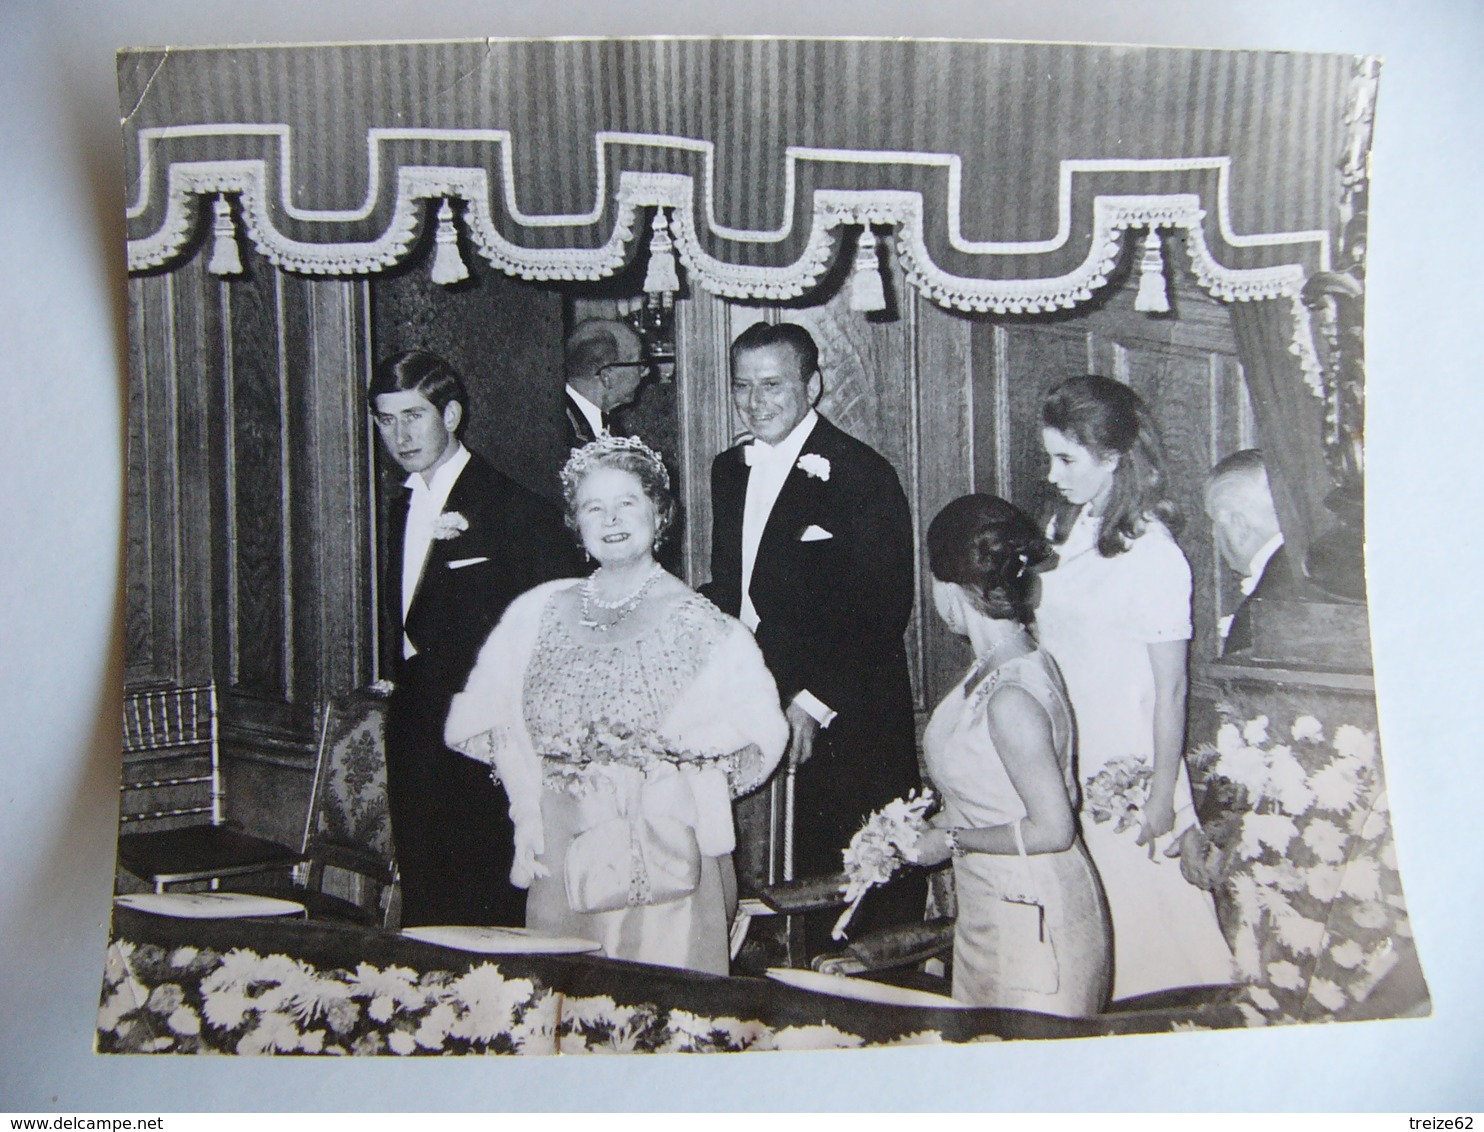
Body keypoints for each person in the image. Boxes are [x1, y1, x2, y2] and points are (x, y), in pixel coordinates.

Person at [445, 436, 788, 974]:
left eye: (627, 501)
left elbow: (758, 737)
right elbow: (492, 723)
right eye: (592, 507)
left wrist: (670, 774)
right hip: (560, 849)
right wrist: (529, 801)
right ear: (576, 523)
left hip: (660, 860)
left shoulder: (706, 625)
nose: (611, 519)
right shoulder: (537, 612)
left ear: (659, 511)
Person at [703, 322, 924, 951]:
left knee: (852, 895)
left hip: (848, 713)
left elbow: (883, 609)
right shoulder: (728, 470)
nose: (755, 401)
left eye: (772, 384)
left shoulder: (861, 474)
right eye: (743, 386)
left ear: (813, 386)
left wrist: (813, 700)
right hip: (759, 700)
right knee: (773, 879)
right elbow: (735, 588)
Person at [1033, 374, 1233, 1000]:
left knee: (1153, 932)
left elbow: (1170, 690)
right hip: (1069, 752)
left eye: (1066, 458)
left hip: (1131, 766)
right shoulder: (1060, 534)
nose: (1051, 474)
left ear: (1114, 458)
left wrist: (1163, 799)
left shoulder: (1154, 554)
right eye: (1049, 457)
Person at [370, 350, 575, 928]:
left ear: (452, 414)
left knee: (484, 894)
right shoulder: (400, 507)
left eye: (413, 415)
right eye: (386, 420)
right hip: (414, 723)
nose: (400, 435)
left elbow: (551, 631)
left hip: (486, 732)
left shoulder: (515, 509)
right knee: (426, 888)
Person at [905, 495, 1112, 1015]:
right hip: (993, 910)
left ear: (947, 587)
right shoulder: (994, 667)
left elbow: (1053, 829)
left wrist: (946, 840)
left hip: (1036, 916)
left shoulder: (1011, 696)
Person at [1204, 449, 1297, 656]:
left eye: (1216, 524)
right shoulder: (1308, 568)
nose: (1214, 536)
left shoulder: (1264, 607)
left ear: (1240, 526)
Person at [562, 318, 648, 450]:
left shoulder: (607, 422)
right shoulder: (560, 429)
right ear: (607, 376)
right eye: (638, 364)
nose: (645, 371)